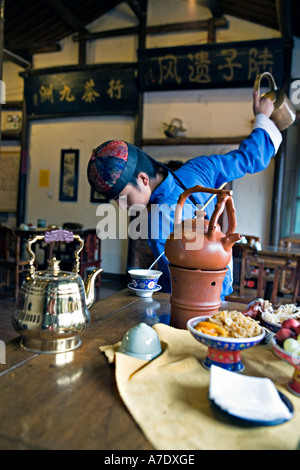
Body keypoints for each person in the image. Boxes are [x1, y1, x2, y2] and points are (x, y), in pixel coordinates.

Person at [87, 90, 282, 297]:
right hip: (221, 285)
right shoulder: (200, 168)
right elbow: (248, 157)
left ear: (143, 179)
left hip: (192, 303)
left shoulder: (158, 219)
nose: (122, 205)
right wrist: (262, 117)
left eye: (122, 197)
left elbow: (181, 283)